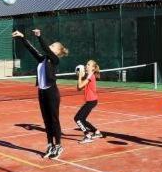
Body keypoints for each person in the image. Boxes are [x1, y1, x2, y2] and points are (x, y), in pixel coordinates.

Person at [12, 28, 69, 158]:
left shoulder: (55, 60)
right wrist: (21, 37)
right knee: (46, 120)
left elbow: (46, 49)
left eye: (53, 45)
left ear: (58, 51)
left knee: (54, 120)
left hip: (51, 92)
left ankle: (59, 146)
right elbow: (31, 49)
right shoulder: (42, 59)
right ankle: (50, 145)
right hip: (42, 92)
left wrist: (39, 36)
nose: (51, 46)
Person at [74, 60, 104, 143]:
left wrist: (80, 76)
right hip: (91, 101)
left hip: (91, 101)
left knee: (77, 119)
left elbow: (79, 86)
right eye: (86, 64)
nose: (86, 66)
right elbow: (79, 88)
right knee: (82, 119)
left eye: (88, 65)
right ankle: (97, 132)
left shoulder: (90, 76)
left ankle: (87, 136)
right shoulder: (89, 76)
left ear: (93, 68)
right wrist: (80, 77)